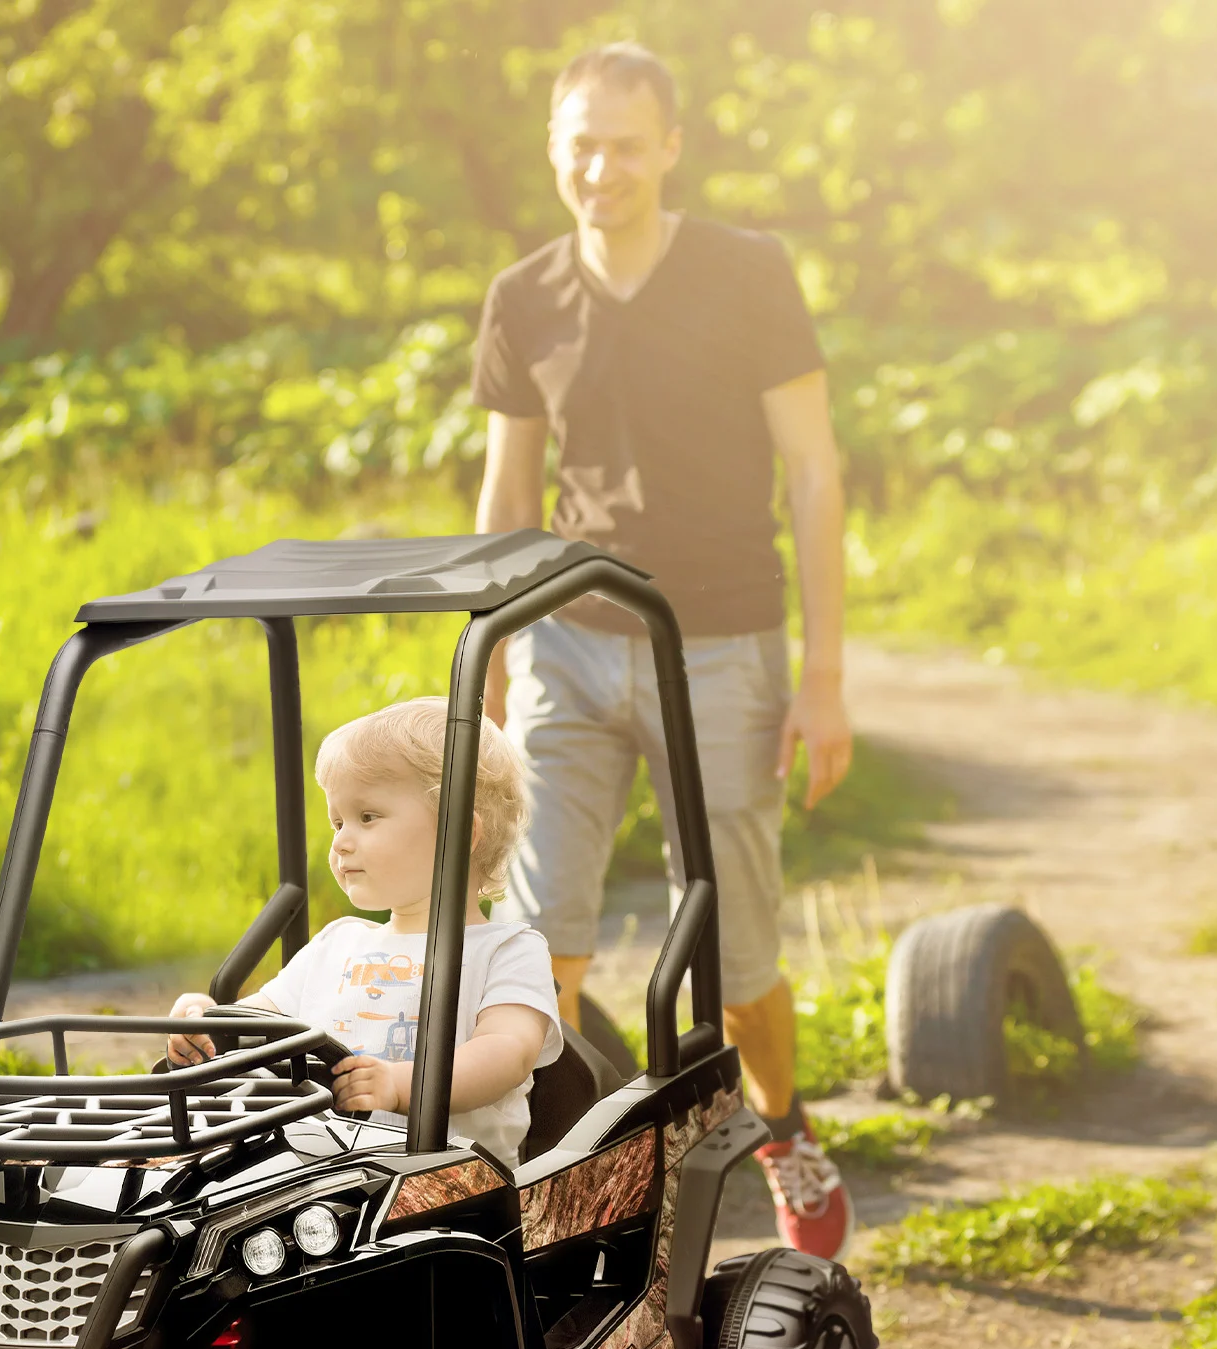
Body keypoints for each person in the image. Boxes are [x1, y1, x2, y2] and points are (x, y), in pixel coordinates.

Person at [471, 39, 855, 1256]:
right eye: (580, 144)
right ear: (552, 150)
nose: (602, 168)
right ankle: (543, 1202)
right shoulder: (522, 297)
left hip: (723, 647)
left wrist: (825, 676)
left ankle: (782, 1124)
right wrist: (478, 677)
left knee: (738, 961)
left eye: (625, 144)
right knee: (540, 945)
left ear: (669, 147)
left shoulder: (746, 273)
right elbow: (505, 496)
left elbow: (812, 467)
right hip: (566, 650)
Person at [168, 698, 563, 1164]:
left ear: (457, 831)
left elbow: (507, 1053)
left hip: (447, 1179)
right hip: (315, 1178)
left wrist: (401, 1085)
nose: (340, 840)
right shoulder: (337, 944)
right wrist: (202, 1018)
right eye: (337, 821)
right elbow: (253, 1024)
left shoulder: (507, 950)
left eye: (367, 817)